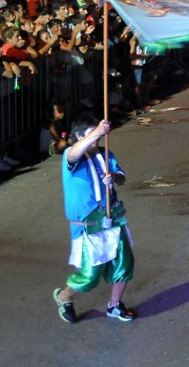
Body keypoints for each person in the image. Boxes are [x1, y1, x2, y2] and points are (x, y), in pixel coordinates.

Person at [53, 117, 136, 323]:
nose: (98, 139)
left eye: (99, 135)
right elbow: (73, 154)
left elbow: (121, 177)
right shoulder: (71, 156)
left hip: (113, 217)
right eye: (91, 134)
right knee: (90, 275)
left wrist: (114, 178)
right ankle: (64, 296)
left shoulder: (107, 154)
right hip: (88, 225)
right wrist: (97, 132)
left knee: (124, 263)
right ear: (79, 136)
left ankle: (115, 305)